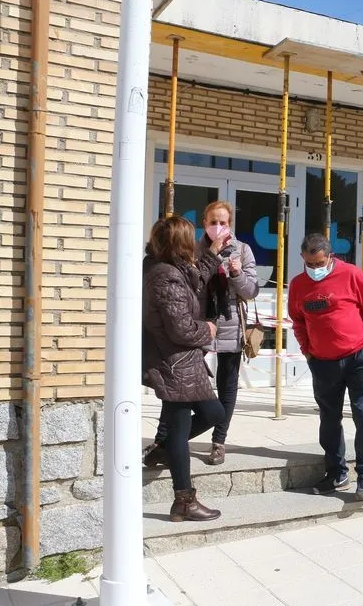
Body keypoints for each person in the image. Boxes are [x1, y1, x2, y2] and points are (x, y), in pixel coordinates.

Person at [143, 201, 259, 467]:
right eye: (212, 222)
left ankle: (219, 441)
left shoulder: (242, 249)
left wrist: (237, 274)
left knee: (227, 385)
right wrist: (212, 256)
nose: (218, 228)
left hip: (229, 324)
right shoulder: (191, 249)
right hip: (195, 324)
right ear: (204, 224)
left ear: (230, 224)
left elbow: (250, 291)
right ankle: (164, 440)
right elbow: (187, 287)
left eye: (223, 222)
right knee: (179, 384)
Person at [288, 234, 363, 501]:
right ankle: (336, 473)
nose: (315, 269)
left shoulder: (353, 275)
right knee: (329, 420)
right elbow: (298, 321)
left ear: (330, 257)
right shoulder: (298, 285)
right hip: (322, 363)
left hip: (358, 359)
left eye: (320, 263)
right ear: (302, 258)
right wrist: (308, 352)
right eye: (310, 264)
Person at [141, 216, 226, 521]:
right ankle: (184, 501)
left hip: (179, 362)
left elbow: (195, 278)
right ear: (180, 243)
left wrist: (213, 253)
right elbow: (181, 329)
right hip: (174, 362)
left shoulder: (164, 267)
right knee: (184, 425)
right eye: (190, 239)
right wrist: (208, 330)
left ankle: (165, 449)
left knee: (212, 413)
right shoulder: (164, 275)